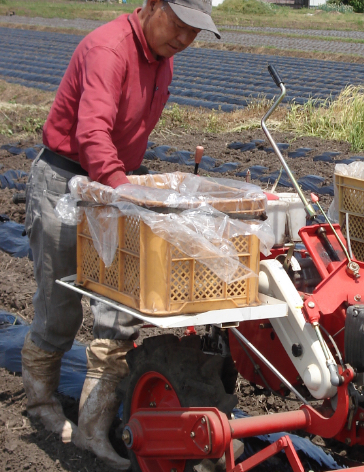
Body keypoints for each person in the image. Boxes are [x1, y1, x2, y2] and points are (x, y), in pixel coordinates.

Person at [21, 1, 220, 469]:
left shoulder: (162, 60)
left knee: (120, 308)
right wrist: (123, 189)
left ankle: (93, 425)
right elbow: (92, 131)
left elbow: (130, 132)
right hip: (65, 182)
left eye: (195, 32)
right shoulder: (110, 49)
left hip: (113, 186)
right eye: (179, 25)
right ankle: (43, 407)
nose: (184, 39)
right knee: (59, 303)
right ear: (152, 6)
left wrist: (127, 187)